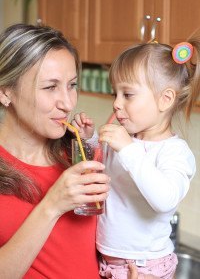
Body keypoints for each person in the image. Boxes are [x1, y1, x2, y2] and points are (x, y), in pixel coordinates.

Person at [72, 38, 200, 278]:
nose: (117, 104)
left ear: (165, 99)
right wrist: (88, 140)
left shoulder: (173, 152)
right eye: (115, 93)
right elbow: (99, 167)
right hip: (107, 261)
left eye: (128, 94)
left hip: (144, 267)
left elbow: (165, 199)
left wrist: (128, 148)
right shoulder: (125, 141)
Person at [0, 23, 110, 279]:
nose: (68, 103)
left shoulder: (82, 154)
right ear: (6, 92)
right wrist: (53, 204)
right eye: (50, 87)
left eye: (71, 85)